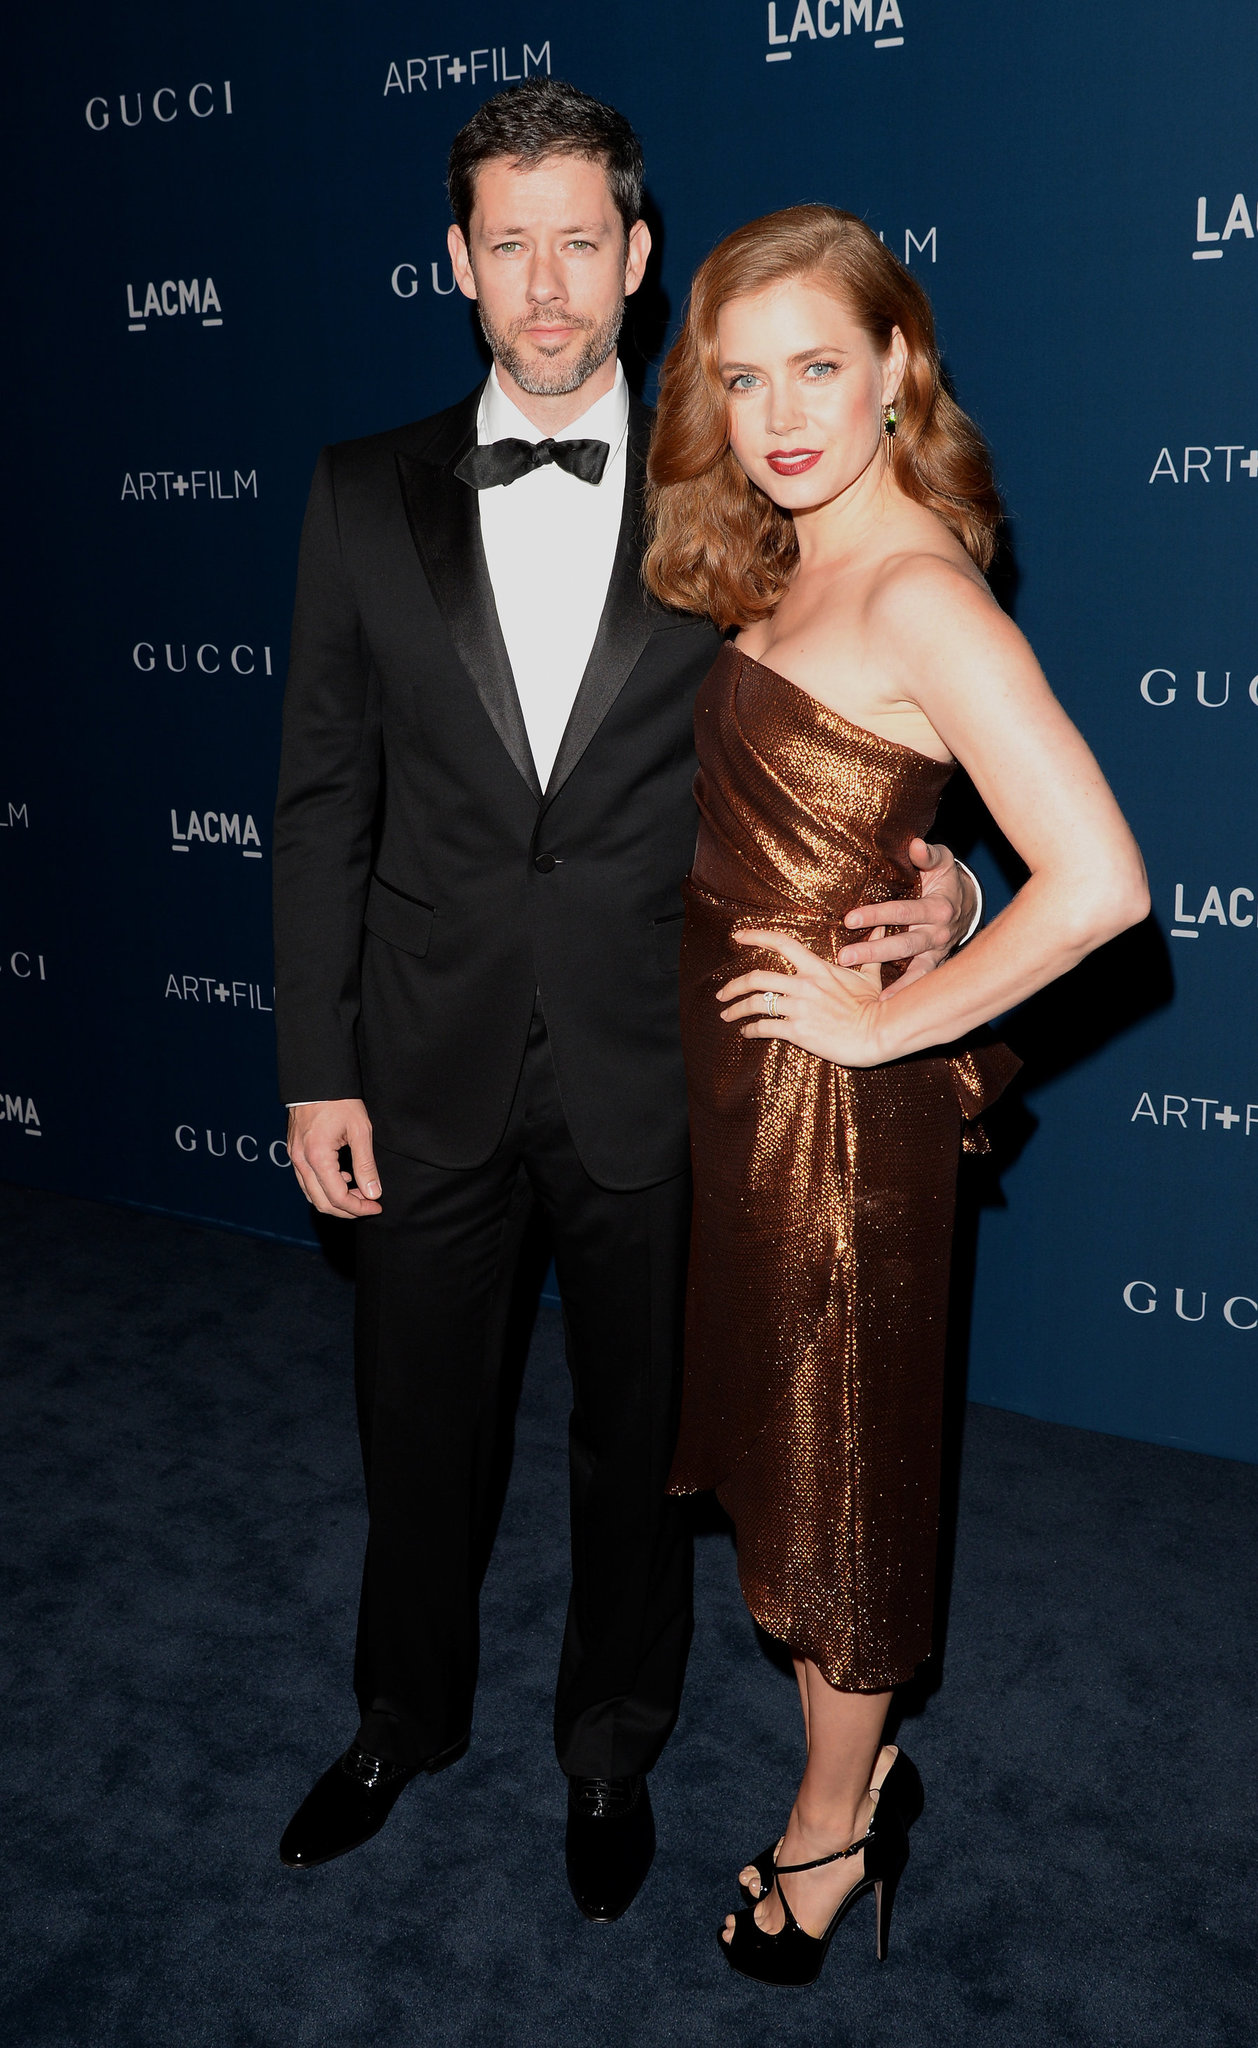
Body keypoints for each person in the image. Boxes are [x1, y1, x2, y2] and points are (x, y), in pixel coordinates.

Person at [271, 88, 977, 1924]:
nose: (546, 279)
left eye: (581, 237)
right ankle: (396, 1722)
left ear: (638, 258)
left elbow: (880, 719)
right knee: (414, 1422)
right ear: (456, 266)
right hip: (418, 1064)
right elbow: (318, 805)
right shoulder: (358, 494)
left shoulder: (748, 496)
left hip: (665, 1064)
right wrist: (311, 1069)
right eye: (507, 241)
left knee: (636, 1441)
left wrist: (949, 879)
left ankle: (611, 1747)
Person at [645, 205, 1149, 1982]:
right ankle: (844, 1770)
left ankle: (835, 1829)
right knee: (790, 1477)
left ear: (892, 374)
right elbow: (865, 810)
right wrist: (932, 885)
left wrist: (891, 1024)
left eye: (817, 368)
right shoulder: (799, 558)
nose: (780, 412)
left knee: (841, 1495)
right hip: (751, 1105)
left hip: (837, 1135)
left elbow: (1100, 884)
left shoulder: (920, 585)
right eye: (741, 376)